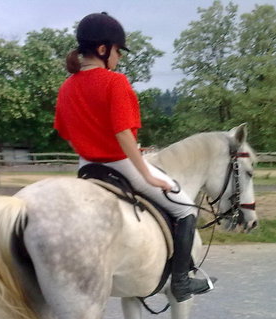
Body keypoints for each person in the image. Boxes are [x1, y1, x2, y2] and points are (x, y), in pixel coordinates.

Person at [53, 12, 213, 302]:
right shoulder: (115, 82)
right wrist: (148, 173)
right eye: (117, 51)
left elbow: (66, 132)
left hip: (86, 167)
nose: (119, 58)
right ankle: (181, 282)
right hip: (120, 164)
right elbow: (123, 135)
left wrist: (91, 145)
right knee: (185, 209)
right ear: (103, 49)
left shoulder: (67, 86)